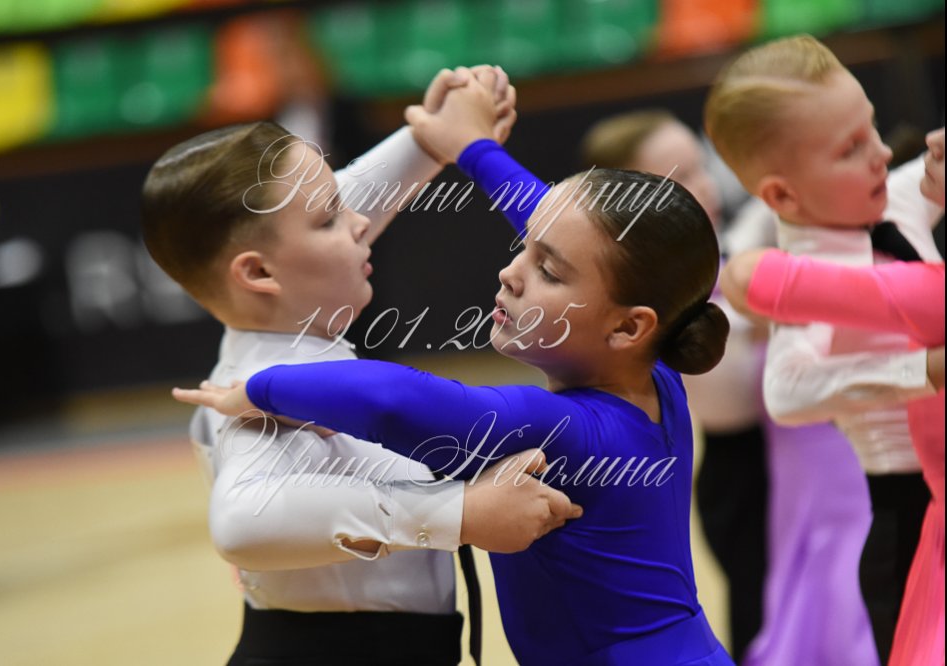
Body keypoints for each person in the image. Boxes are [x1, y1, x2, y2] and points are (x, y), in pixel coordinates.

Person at [174, 74, 736, 665]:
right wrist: (474, 148)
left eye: (547, 271)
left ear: (627, 327)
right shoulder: (658, 365)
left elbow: (392, 399)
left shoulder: (564, 429)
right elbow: (578, 237)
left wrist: (258, 389)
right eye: (526, 248)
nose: (511, 273)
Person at [142, 66, 583, 666]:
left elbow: (335, 203)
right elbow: (241, 523)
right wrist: (458, 512)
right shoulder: (265, 394)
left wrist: (431, 139)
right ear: (259, 272)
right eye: (330, 218)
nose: (358, 222)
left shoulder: (275, 330)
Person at [580, 108, 880, 665]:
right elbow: (733, 344)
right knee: (764, 619)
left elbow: (761, 223)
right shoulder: (658, 298)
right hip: (743, 479)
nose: (706, 187)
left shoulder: (724, 254)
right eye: (680, 178)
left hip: (800, 467)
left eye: (702, 166)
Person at [704, 35, 944, 661]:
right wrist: (923, 370)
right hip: (909, 513)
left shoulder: (892, 195)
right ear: (783, 196)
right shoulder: (802, 284)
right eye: (851, 149)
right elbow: (787, 392)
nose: (882, 153)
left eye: (872, 129)